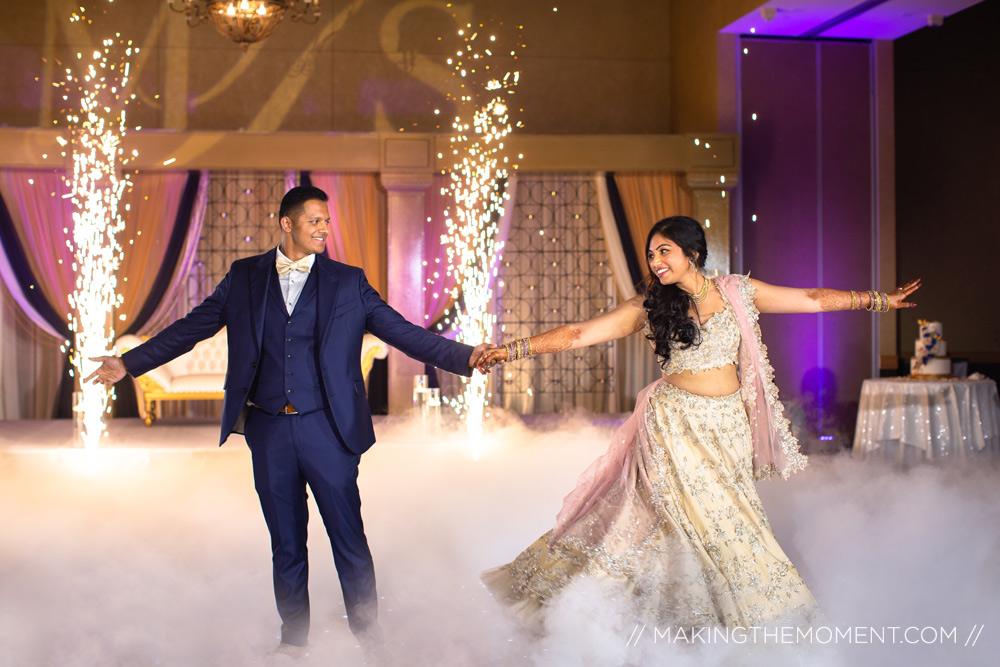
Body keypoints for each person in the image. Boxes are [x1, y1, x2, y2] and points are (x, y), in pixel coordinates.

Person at [86, 186, 487, 660]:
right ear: (287, 223)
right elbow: (191, 329)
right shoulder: (244, 277)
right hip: (269, 428)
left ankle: (370, 637)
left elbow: (401, 332)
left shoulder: (348, 281)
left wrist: (466, 356)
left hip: (329, 430)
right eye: (315, 220)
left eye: (327, 220)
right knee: (286, 544)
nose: (324, 228)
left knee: (348, 539)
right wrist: (129, 364)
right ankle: (293, 639)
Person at [474, 216, 920, 629]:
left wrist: (877, 300)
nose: (656, 262)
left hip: (727, 429)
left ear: (693, 253)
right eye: (651, 254)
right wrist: (512, 350)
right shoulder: (649, 306)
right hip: (673, 427)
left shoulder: (737, 293)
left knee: (733, 522)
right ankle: (640, 620)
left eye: (664, 251)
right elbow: (578, 334)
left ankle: (739, 620)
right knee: (681, 523)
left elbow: (809, 299)